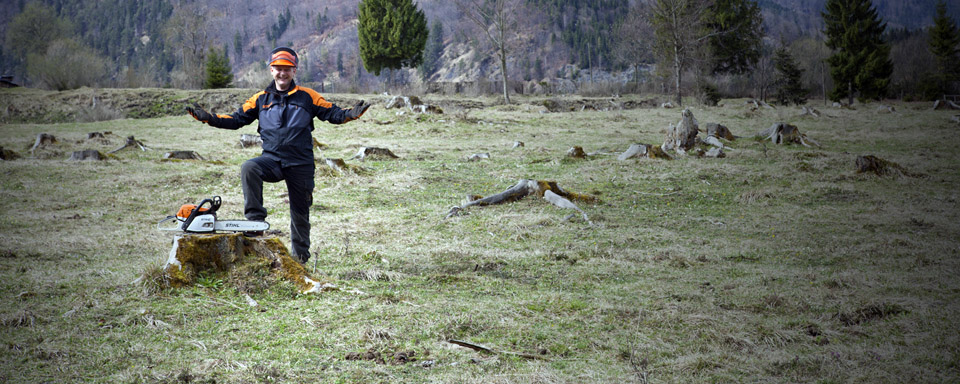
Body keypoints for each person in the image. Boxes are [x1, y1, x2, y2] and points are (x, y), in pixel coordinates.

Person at [186, 47, 369, 264]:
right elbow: (236, 120)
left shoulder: (308, 96)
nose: (282, 73)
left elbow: (332, 112)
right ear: (271, 70)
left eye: (287, 69)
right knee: (249, 167)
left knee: (299, 213)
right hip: (272, 160)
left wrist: (350, 115)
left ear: (294, 71)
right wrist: (209, 118)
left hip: (300, 164)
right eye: (278, 68)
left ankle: (300, 260)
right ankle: (255, 224)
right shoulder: (260, 99)